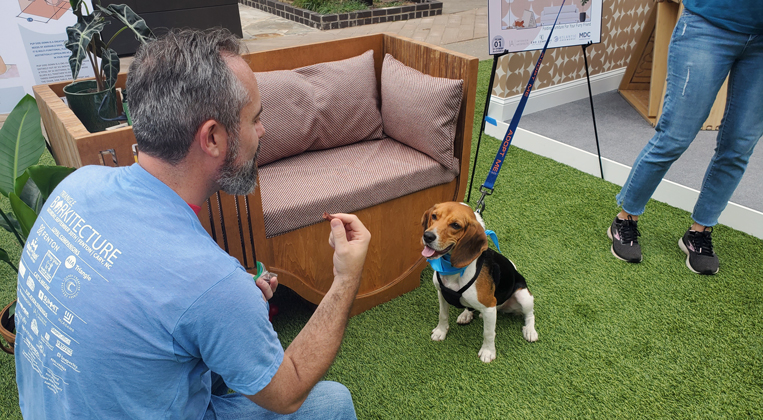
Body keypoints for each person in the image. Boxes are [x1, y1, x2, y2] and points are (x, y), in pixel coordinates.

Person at [15, 28, 370, 419]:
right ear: (213, 138)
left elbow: (143, 304)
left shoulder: (75, 186)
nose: (262, 132)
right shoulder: (209, 282)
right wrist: (345, 277)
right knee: (331, 403)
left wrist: (229, 306)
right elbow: (288, 391)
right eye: (255, 119)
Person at [608, 0, 763, 275]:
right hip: (709, 23)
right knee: (674, 136)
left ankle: (699, 231)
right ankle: (625, 218)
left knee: (739, 146)